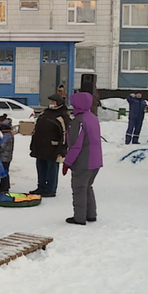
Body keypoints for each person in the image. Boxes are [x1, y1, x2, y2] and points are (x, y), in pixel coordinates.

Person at [63, 92, 103, 225]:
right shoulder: (92, 117)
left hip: (84, 161)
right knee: (88, 187)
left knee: (79, 188)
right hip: (95, 160)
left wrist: (67, 162)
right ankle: (91, 214)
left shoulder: (79, 121)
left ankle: (79, 217)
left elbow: (76, 145)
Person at [30, 94, 70, 197]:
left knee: (52, 168)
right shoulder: (45, 113)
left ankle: (51, 189)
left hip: (53, 148)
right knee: (41, 167)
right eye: (50, 101)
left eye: (53, 102)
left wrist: (62, 149)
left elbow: (65, 134)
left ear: (59, 103)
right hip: (40, 146)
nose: (50, 103)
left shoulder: (62, 116)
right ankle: (41, 187)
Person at [0, 115, 14, 193]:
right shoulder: (8, 134)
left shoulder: (6, 136)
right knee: (4, 172)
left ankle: (4, 188)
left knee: (4, 172)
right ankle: (4, 186)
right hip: (6, 157)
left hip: (4, 157)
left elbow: (1, 146)